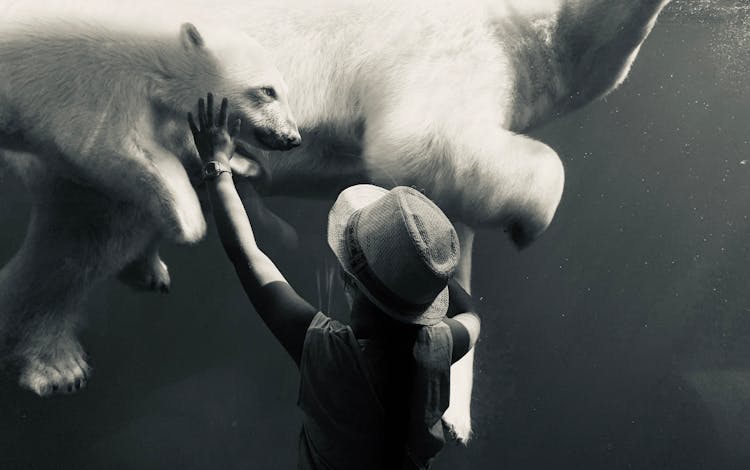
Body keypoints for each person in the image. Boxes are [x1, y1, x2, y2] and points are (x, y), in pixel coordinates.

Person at [188, 94, 481, 469]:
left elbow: (248, 255)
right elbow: (473, 316)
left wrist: (216, 162)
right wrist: (427, 265)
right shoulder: (439, 344)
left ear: (348, 277)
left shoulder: (327, 355)